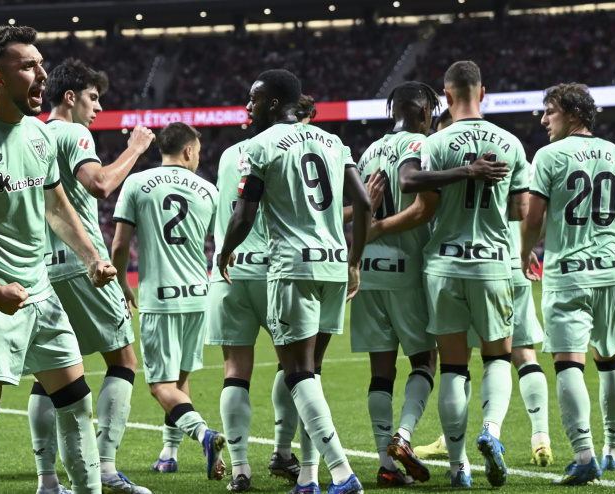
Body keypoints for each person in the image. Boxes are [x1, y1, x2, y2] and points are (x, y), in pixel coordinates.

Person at [0, 25, 115, 494]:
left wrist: (92, 257)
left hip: (41, 292)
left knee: (76, 404)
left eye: (41, 63)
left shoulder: (38, 134)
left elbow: (56, 207)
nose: (43, 74)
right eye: (29, 66)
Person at [218, 69, 370, 494]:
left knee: (298, 373)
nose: (248, 107)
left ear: (271, 102)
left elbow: (244, 214)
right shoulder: (334, 142)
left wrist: (225, 251)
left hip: (293, 266)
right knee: (311, 374)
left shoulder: (260, 145)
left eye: (253, 99)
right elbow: (363, 202)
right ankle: (307, 478)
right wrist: (355, 260)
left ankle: (342, 473)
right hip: (334, 265)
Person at [27, 57, 155, 494]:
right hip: (84, 266)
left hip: (42, 268)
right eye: (93, 97)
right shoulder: (73, 133)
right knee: (123, 360)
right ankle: (105, 467)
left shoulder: (29, 135)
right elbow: (98, 183)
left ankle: (47, 481)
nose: (98, 108)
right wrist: (135, 149)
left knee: (50, 372)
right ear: (70, 97)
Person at [415, 109, 554, 469]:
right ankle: (540, 436)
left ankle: (455, 449)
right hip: (507, 262)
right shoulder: (511, 150)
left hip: (461, 263)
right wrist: (526, 249)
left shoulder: (442, 149)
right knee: (521, 353)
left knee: (456, 363)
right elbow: (528, 212)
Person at [521, 82, 615, 485]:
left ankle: (584, 454)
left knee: (568, 362)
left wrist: (523, 251)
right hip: (611, 272)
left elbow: (534, 216)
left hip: (569, 273)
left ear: (574, 114)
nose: (543, 120)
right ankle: (613, 449)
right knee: (610, 360)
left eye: (550, 112)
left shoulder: (549, 156)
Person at [111, 122, 225, 481]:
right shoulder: (209, 190)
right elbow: (223, 242)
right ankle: (168, 453)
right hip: (198, 296)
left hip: (160, 298)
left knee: (160, 386)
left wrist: (121, 283)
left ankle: (204, 435)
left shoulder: (136, 183)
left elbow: (119, 245)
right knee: (177, 382)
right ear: (188, 151)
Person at [352, 82, 443, 488]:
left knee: (381, 371)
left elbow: (361, 211)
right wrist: (384, 228)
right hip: (406, 268)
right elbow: (422, 209)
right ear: (423, 112)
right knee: (424, 361)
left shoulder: (369, 152)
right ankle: (403, 436)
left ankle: (385, 465)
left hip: (369, 272)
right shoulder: (420, 146)